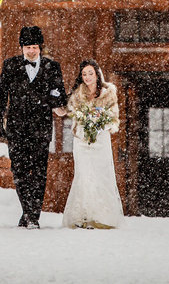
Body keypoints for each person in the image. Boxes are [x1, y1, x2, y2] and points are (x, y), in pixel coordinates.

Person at [0, 25, 67, 229]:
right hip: (16, 129)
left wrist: (50, 99)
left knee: (39, 173)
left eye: (34, 46)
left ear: (40, 47)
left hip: (41, 129)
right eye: (27, 47)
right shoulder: (10, 66)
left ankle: (32, 216)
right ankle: (28, 211)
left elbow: (60, 94)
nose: (31, 51)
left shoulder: (53, 67)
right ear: (21, 48)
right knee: (19, 171)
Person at [62, 59, 124, 229]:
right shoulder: (77, 94)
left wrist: (100, 123)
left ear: (97, 74)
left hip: (101, 141)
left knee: (100, 176)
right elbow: (69, 113)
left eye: (90, 73)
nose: (87, 77)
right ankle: (82, 216)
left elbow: (114, 119)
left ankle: (101, 217)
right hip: (81, 141)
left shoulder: (108, 93)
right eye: (84, 74)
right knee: (84, 175)